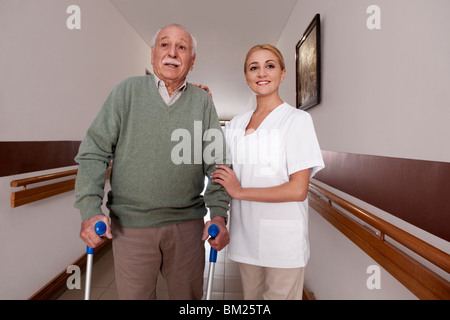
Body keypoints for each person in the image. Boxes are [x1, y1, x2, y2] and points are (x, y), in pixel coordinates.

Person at [75, 24, 230, 300]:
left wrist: (218, 214)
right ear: (152, 53)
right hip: (131, 227)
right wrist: (89, 210)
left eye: (182, 47)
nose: (172, 53)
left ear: (192, 61)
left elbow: (218, 164)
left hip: (187, 227)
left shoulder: (202, 103)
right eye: (164, 44)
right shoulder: (126, 92)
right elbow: (94, 151)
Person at [211, 44, 324, 300]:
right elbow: (216, 164)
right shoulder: (236, 124)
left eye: (269, 65)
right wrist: (201, 105)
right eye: (254, 67)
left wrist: (239, 191)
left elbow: (298, 189)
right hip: (245, 237)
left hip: (283, 243)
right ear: (247, 77)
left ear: (282, 74)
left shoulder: (296, 120)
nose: (262, 73)